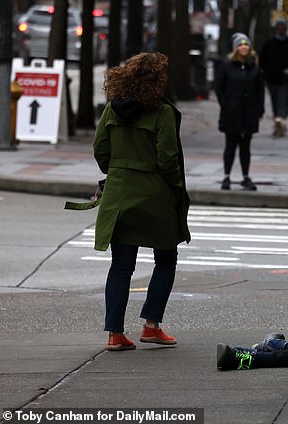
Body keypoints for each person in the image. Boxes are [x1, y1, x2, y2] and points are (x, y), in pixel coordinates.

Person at [93, 52, 191, 351]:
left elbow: (100, 150)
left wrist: (117, 170)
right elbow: (168, 159)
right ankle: (151, 325)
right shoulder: (162, 112)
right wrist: (176, 191)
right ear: (157, 81)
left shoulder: (112, 108)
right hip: (154, 195)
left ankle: (114, 334)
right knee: (166, 258)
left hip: (119, 195)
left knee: (121, 266)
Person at [214, 32, 265, 191]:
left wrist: (258, 109)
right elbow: (219, 87)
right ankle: (226, 175)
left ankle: (245, 176)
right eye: (241, 45)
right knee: (230, 145)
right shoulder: (227, 66)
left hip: (248, 112)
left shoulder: (254, 67)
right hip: (232, 112)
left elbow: (260, 90)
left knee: (245, 147)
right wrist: (226, 104)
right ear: (236, 48)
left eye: (246, 45)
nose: (244, 47)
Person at [259, 18, 288, 137]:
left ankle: (280, 123)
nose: (281, 30)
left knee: (282, 102)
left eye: (283, 28)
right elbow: (262, 61)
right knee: (275, 101)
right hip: (272, 78)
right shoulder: (269, 44)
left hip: (286, 80)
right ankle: (279, 122)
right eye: (279, 28)